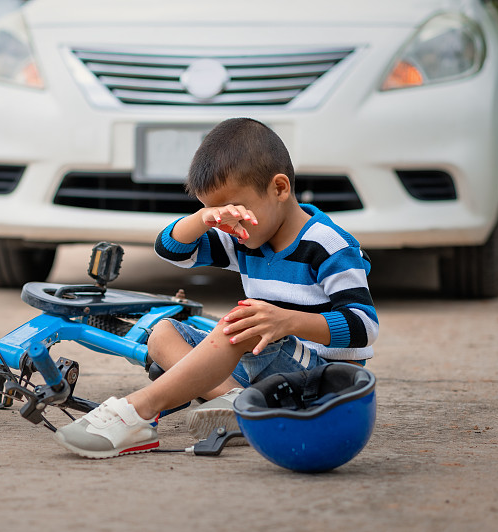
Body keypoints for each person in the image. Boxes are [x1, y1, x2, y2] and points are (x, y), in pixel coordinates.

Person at [54, 118, 379, 459]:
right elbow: (171, 248)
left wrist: (287, 320)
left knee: (242, 324)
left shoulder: (329, 244)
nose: (230, 222)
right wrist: (202, 218)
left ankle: (138, 412)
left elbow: (364, 327)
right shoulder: (247, 235)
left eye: (236, 209)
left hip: (320, 377)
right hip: (266, 362)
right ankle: (241, 403)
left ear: (279, 188)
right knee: (162, 333)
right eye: (220, 213)